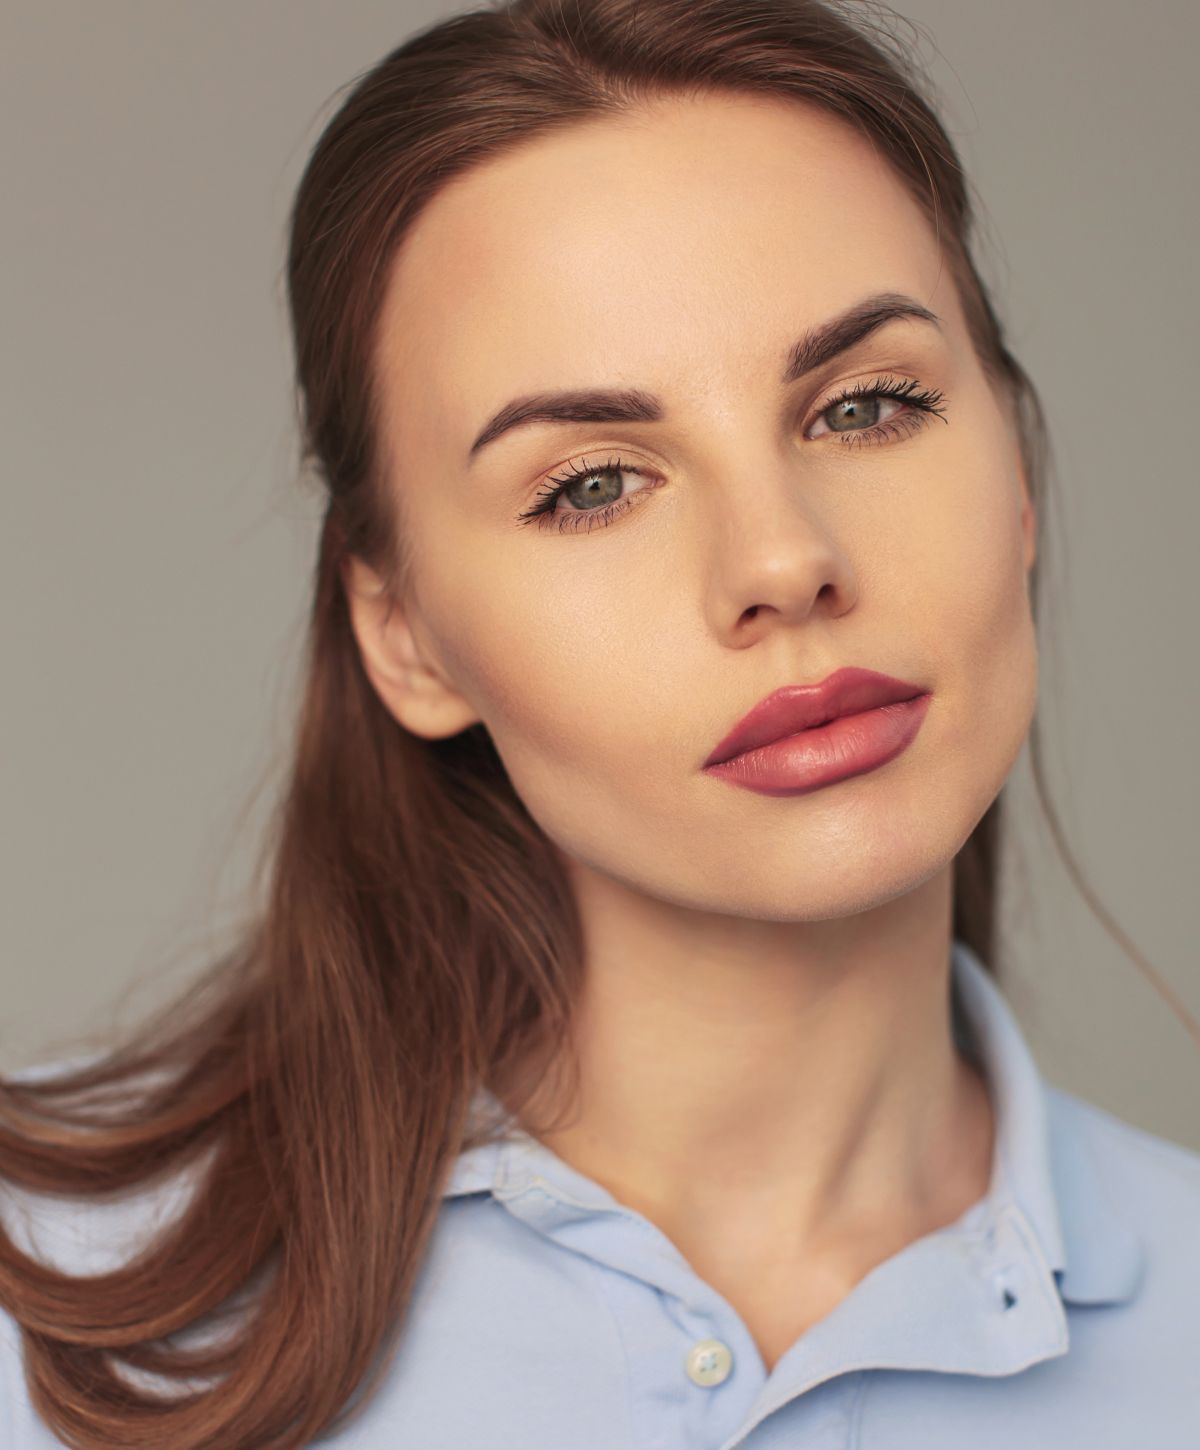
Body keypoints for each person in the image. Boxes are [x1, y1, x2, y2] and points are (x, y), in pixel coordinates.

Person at [2, 0, 1197, 1445]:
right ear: (408, 636)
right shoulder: (41, 1296)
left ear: (1017, 478)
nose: (781, 561)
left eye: (867, 407)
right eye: (591, 486)